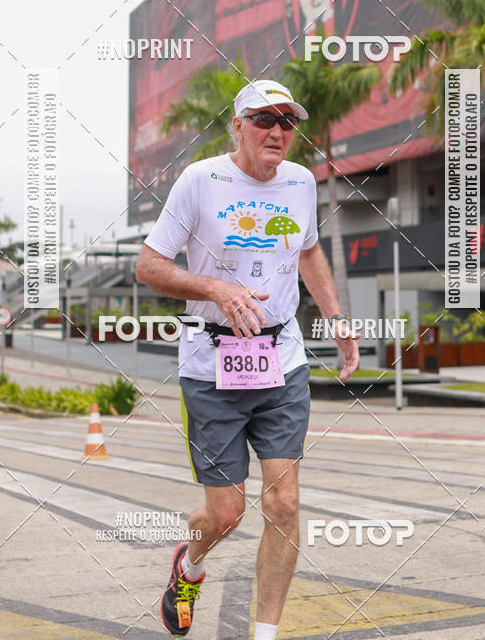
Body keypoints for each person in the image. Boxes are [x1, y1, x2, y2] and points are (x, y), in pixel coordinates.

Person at [135, 79, 360, 639]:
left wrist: (336, 319)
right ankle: (188, 566)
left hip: (282, 360)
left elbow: (307, 250)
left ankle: (265, 635)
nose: (278, 131)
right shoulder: (201, 180)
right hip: (211, 366)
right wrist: (213, 289)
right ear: (237, 125)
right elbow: (148, 266)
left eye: (288, 121)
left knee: (284, 503)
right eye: (264, 119)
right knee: (226, 513)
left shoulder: (302, 182)